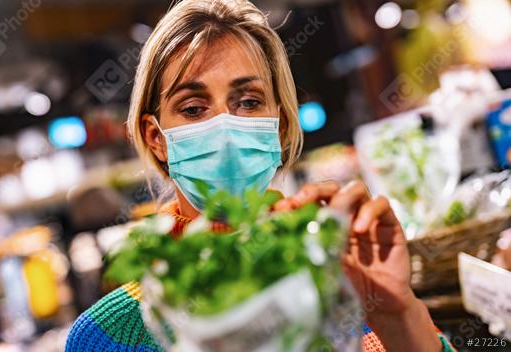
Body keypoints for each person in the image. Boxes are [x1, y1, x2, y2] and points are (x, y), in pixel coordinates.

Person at [65, 1, 456, 351]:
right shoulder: (111, 333)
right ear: (157, 139)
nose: (225, 125)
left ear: (280, 125)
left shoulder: (344, 279)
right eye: (194, 107)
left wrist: (396, 314)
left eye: (248, 102)